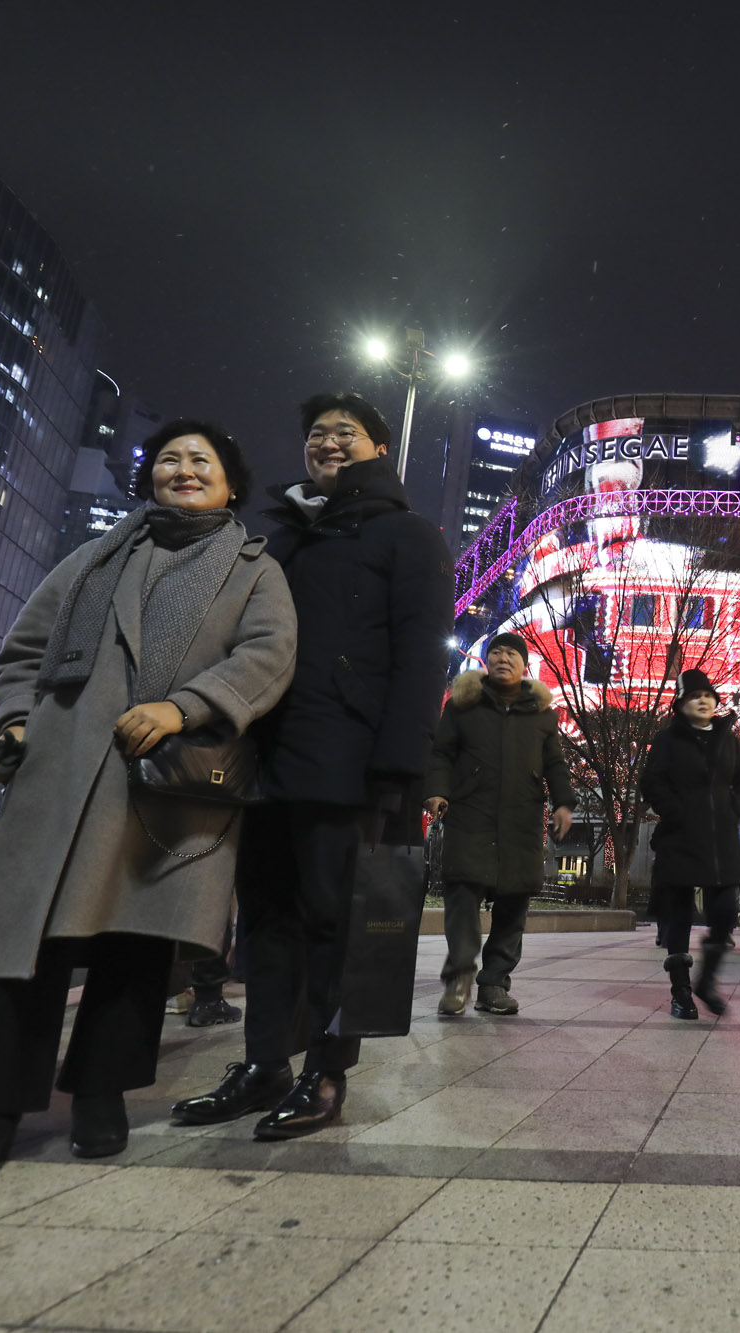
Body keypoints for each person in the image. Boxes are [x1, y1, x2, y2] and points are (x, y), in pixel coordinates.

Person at [0, 422, 296, 1192]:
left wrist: (185, 706)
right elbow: (26, 647)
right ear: (149, 478)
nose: (184, 470)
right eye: (169, 459)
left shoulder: (255, 570)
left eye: (202, 460)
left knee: (137, 946)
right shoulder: (93, 557)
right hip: (62, 772)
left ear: (232, 484)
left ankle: (100, 1093)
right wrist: (16, 716)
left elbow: (266, 656)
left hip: (169, 779)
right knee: (26, 946)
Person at [172, 392, 450, 1140]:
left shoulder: (409, 536)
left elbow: (423, 658)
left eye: (345, 433)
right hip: (264, 759)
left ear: (379, 450)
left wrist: (402, 766)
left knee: (338, 923)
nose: (328, 443)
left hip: (352, 760)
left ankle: (328, 1074)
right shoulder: (275, 541)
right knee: (264, 919)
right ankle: (266, 1062)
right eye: (318, 435)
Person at [425, 632, 576, 1017]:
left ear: (525, 665)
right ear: (485, 661)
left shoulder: (541, 713)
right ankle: (459, 976)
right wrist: (438, 791)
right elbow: (441, 753)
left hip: (521, 819)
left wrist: (563, 803)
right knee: (462, 898)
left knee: (514, 906)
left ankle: (493, 985)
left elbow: (555, 763)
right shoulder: (462, 705)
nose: (503, 658)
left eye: (512, 653)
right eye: (496, 652)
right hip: (470, 815)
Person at [640, 669, 740, 1019]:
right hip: (681, 837)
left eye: (708, 695)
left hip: (721, 839)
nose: (703, 701)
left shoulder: (728, 739)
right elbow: (652, 782)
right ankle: (682, 992)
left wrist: (737, 807)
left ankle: (706, 981)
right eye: (694, 696)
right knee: (680, 917)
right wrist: (677, 811)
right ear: (681, 704)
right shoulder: (667, 741)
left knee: (724, 912)